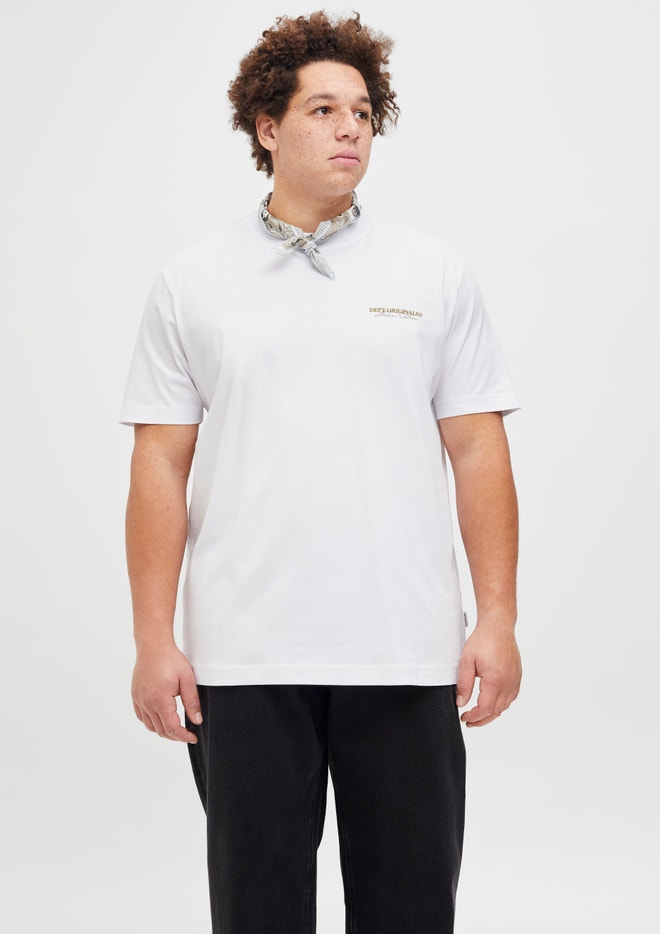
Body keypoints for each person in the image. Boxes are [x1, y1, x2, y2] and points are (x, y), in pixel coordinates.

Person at [120, 10, 522, 934]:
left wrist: (497, 617)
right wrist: (152, 638)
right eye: (324, 109)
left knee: (410, 912)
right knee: (257, 915)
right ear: (267, 127)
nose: (351, 128)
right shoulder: (194, 281)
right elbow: (159, 462)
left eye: (364, 112)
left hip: (405, 648)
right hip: (243, 656)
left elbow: (477, 448)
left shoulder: (433, 272)